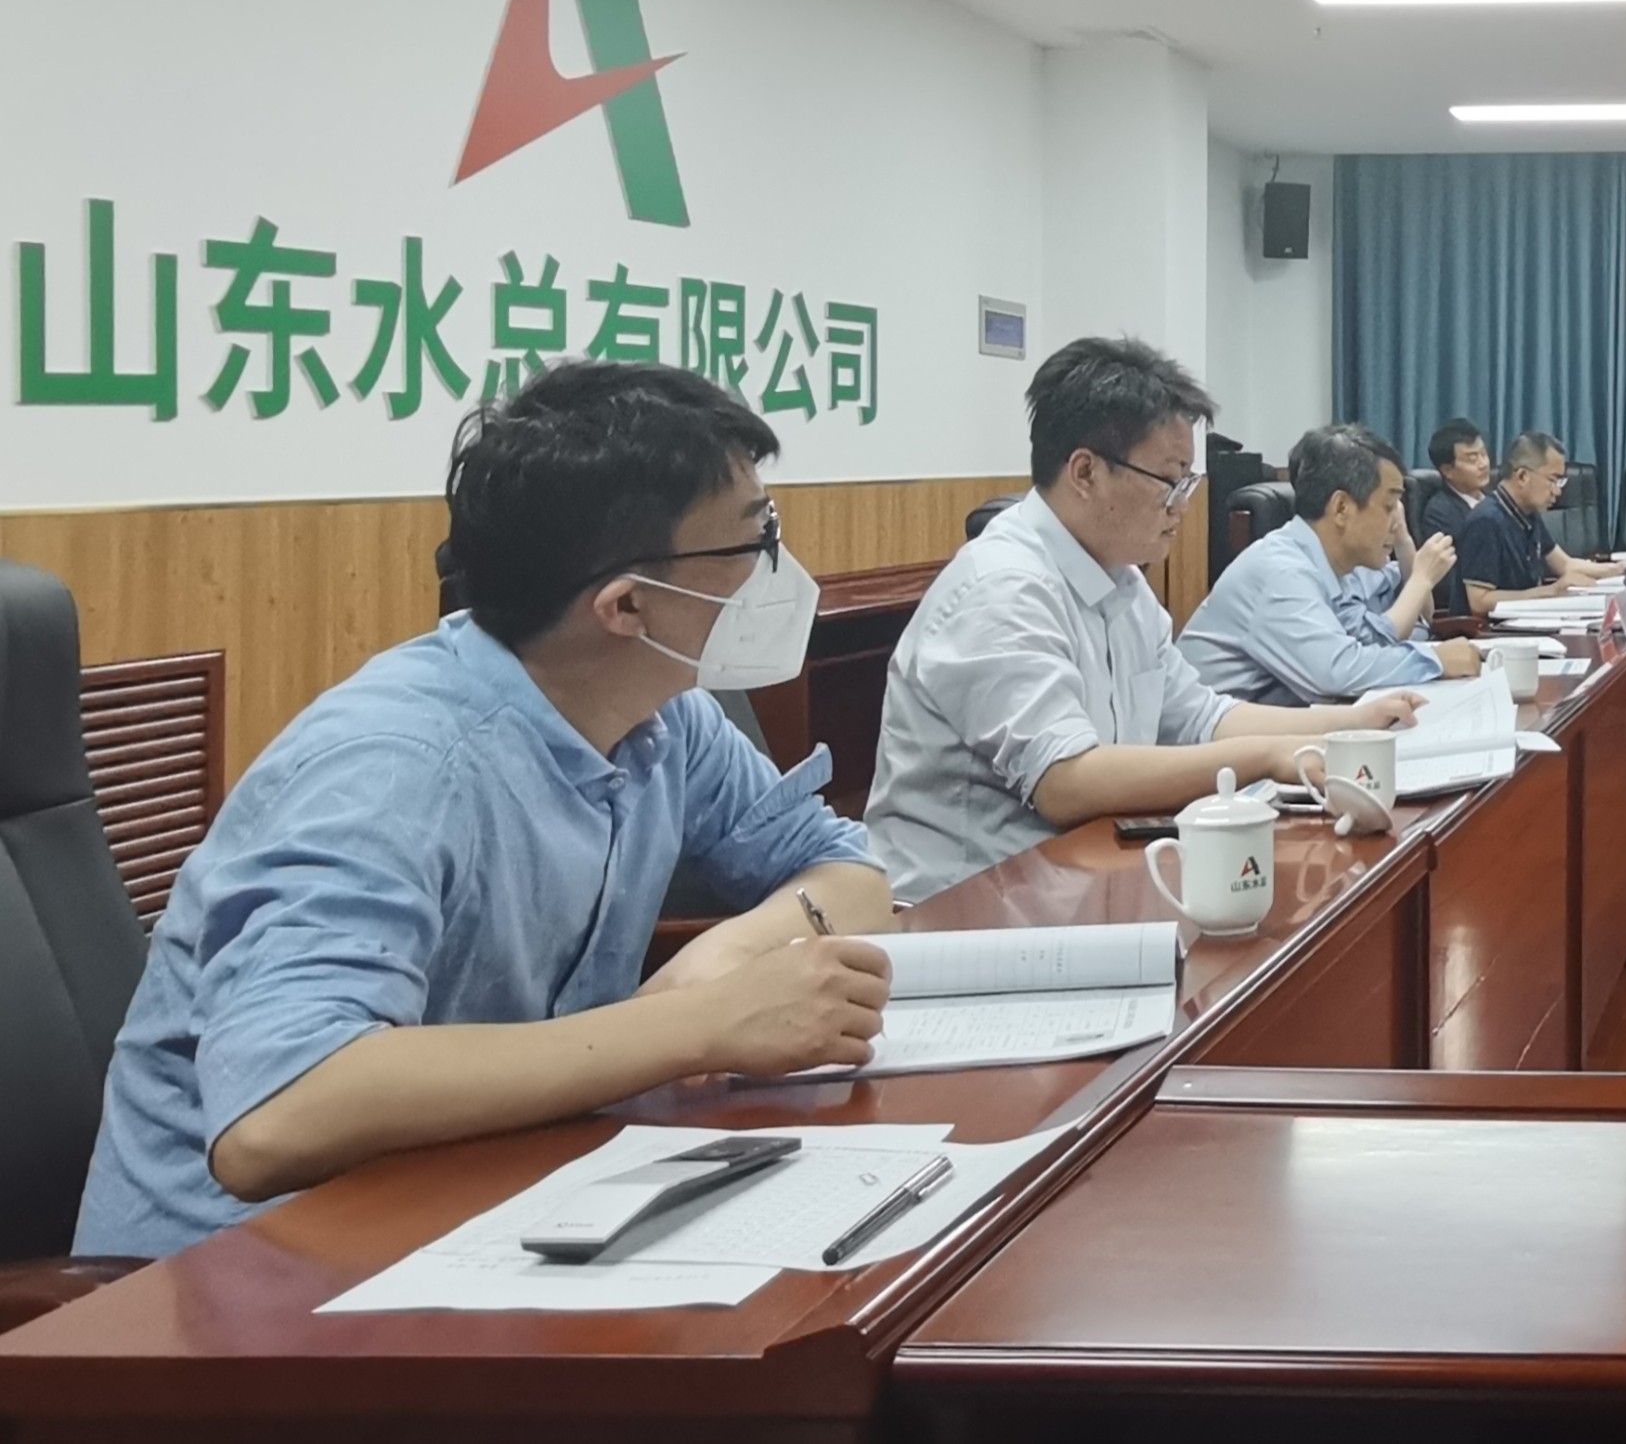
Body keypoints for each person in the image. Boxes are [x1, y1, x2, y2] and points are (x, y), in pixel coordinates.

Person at [78, 363, 895, 1256]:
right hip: (237, 1277)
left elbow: (852, 874)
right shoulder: (394, 766)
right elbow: (276, 1114)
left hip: (486, 1203)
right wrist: (698, 1026)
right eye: (753, 539)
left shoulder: (664, 718)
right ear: (626, 605)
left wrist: (726, 960)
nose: (774, 566)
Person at [867, 338, 1421, 903]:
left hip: (1077, 879)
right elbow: (1066, 780)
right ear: (1086, 472)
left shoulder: (1122, 580)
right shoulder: (1001, 587)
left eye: (1189, 483)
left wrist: (1350, 722)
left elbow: (1201, 717)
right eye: (1170, 481)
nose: (1183, 505)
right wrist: (1269, 757)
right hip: (965, 906)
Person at [1180, 423, 1485, 704]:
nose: (1397, 522)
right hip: (1208, 741)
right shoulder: (1281, 571)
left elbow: (1372, 644)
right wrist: (1436, 660)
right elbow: (1337, 672)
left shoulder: (1339, 566)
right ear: (1341, 508)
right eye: (1389, 506)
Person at [1449, 429, 1626, 613]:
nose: (1557, 491)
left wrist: (1618, 570)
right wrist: (1551, 591)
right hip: (1487, 629)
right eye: (1553, 480)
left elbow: (1564, 564)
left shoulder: (1527, 514)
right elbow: (1480, 602)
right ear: (1522, 476)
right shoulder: (1486, 521)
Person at [1417, 418, 1490, 548]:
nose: (1483, 464)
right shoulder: (1440, 514)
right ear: (1447, 470)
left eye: (1483, 454)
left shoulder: (1495, 495)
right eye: (1472, 459)